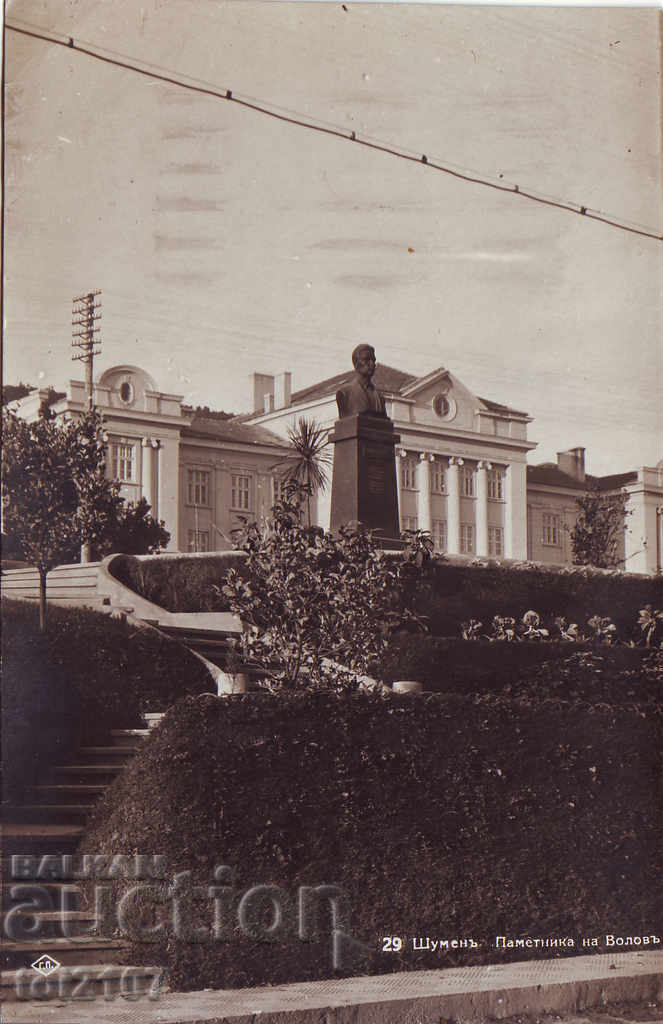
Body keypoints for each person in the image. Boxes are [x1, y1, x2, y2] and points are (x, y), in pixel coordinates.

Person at [335, 344, 387, 418]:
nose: (372, 364)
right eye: (366, 360)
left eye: (373, 360)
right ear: (356, 363)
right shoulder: (344, 393)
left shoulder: (380, 397)